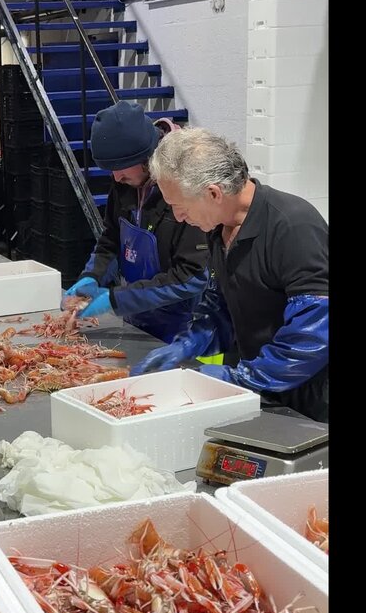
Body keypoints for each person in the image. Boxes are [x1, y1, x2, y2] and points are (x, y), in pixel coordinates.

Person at [131, 128, 328, 423]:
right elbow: (224, 306)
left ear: (213, 193)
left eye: (178, 207)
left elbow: (315, 330)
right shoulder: (219, 229)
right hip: (261, 390)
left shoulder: (292, 226)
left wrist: (246, 376)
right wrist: (190, 342)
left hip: (307, 400)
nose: (179, 218)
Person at [63, 102, 219, 358]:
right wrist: (93, 275)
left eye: (121, 169)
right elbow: (112, 239)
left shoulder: (187, 187)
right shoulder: (127, 182)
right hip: (140, 319)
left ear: (148, 159)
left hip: (188, 328)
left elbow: (192, 276)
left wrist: (117, 299)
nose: (115, 178)